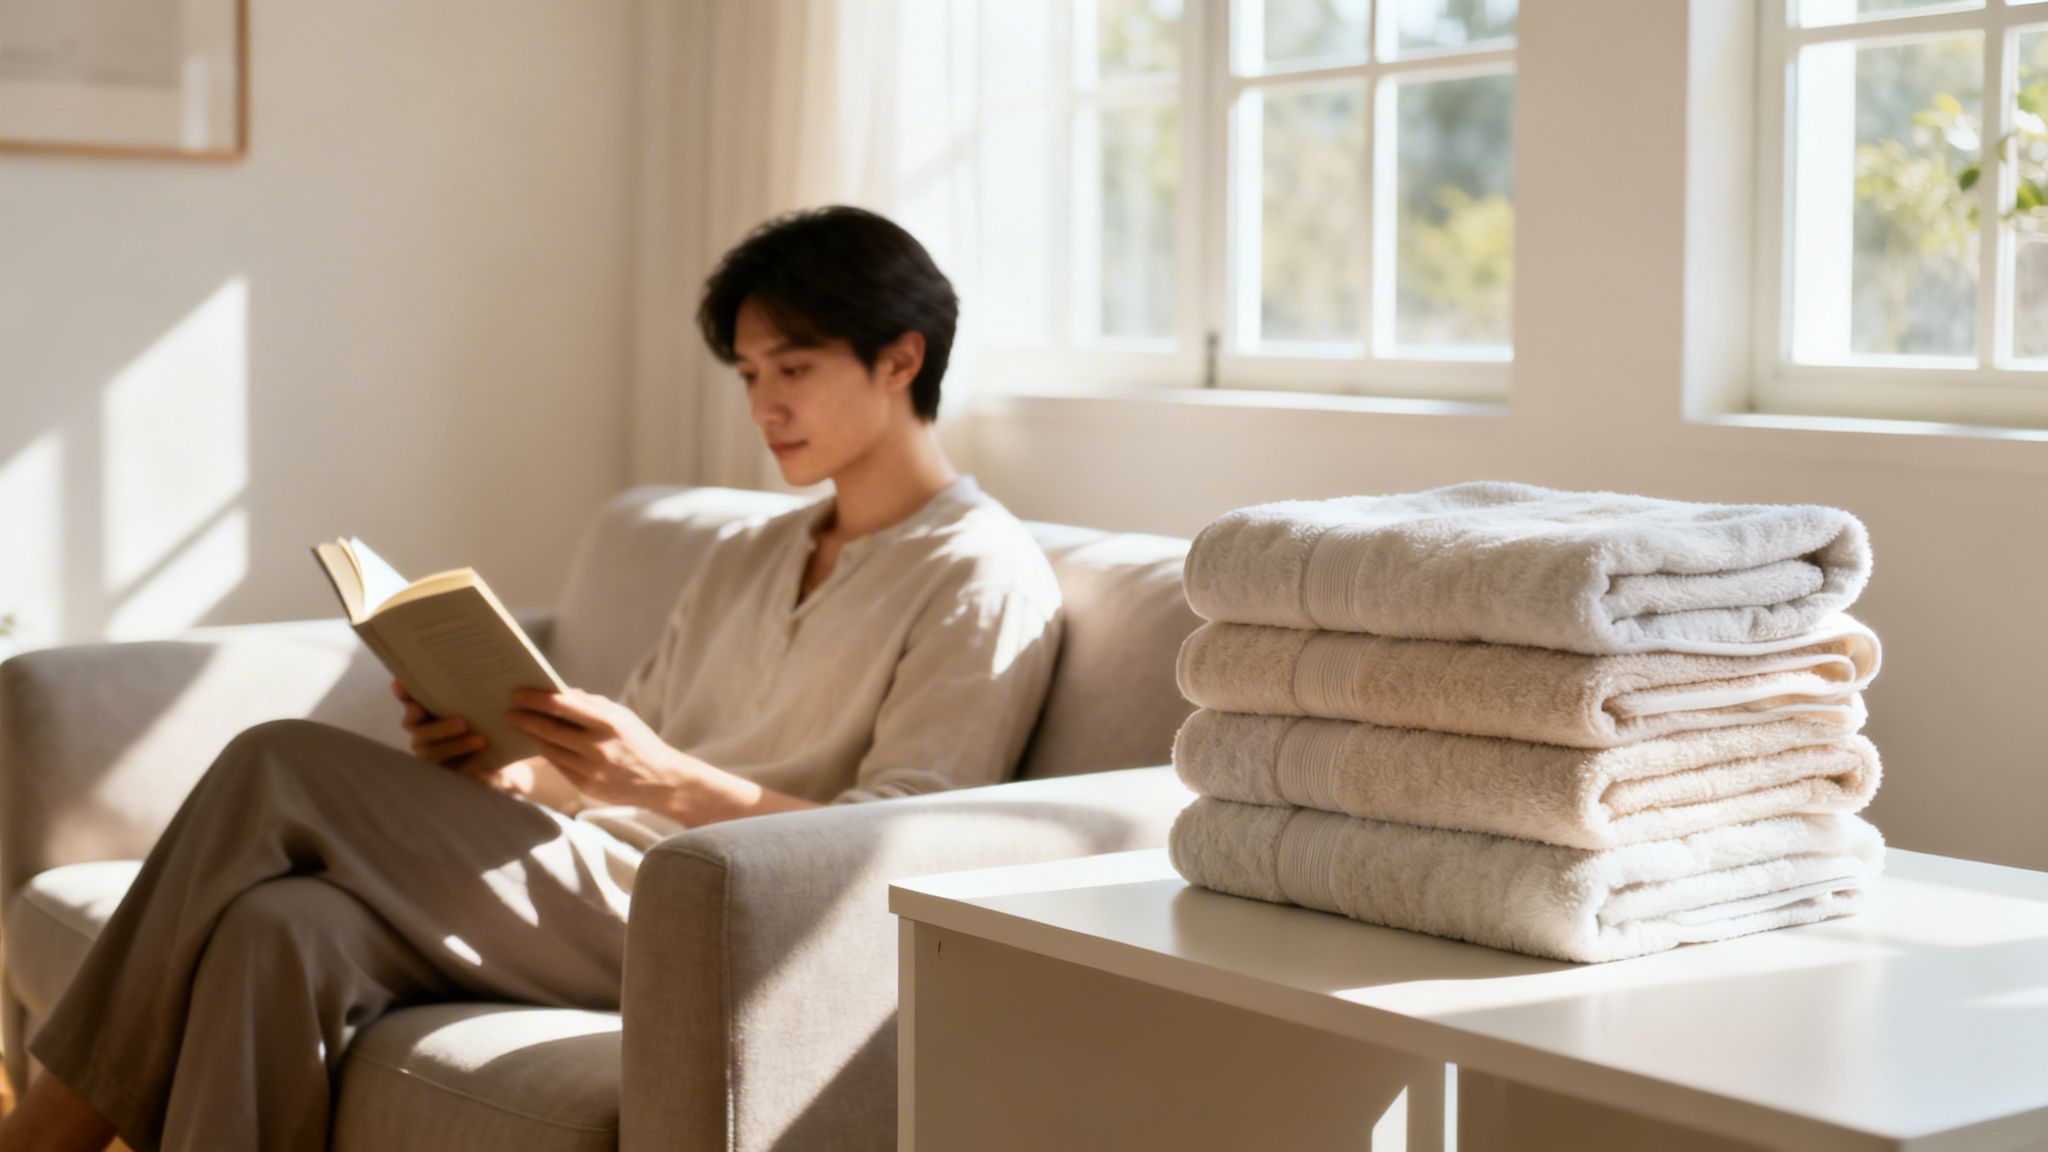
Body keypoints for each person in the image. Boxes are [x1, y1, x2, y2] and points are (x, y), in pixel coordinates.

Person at [0, 206, 1063, 1152]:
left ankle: (43, 1131)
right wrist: (507, 768)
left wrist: (668, 786)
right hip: (594, 873)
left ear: (899, 360)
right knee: (278, 932)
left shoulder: (980, 573)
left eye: (792, 369)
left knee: (276, 760)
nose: (762, 406)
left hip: (724, 914)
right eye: (746, 376)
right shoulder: (746, 552)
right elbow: (616, 764)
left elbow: (909, 860)